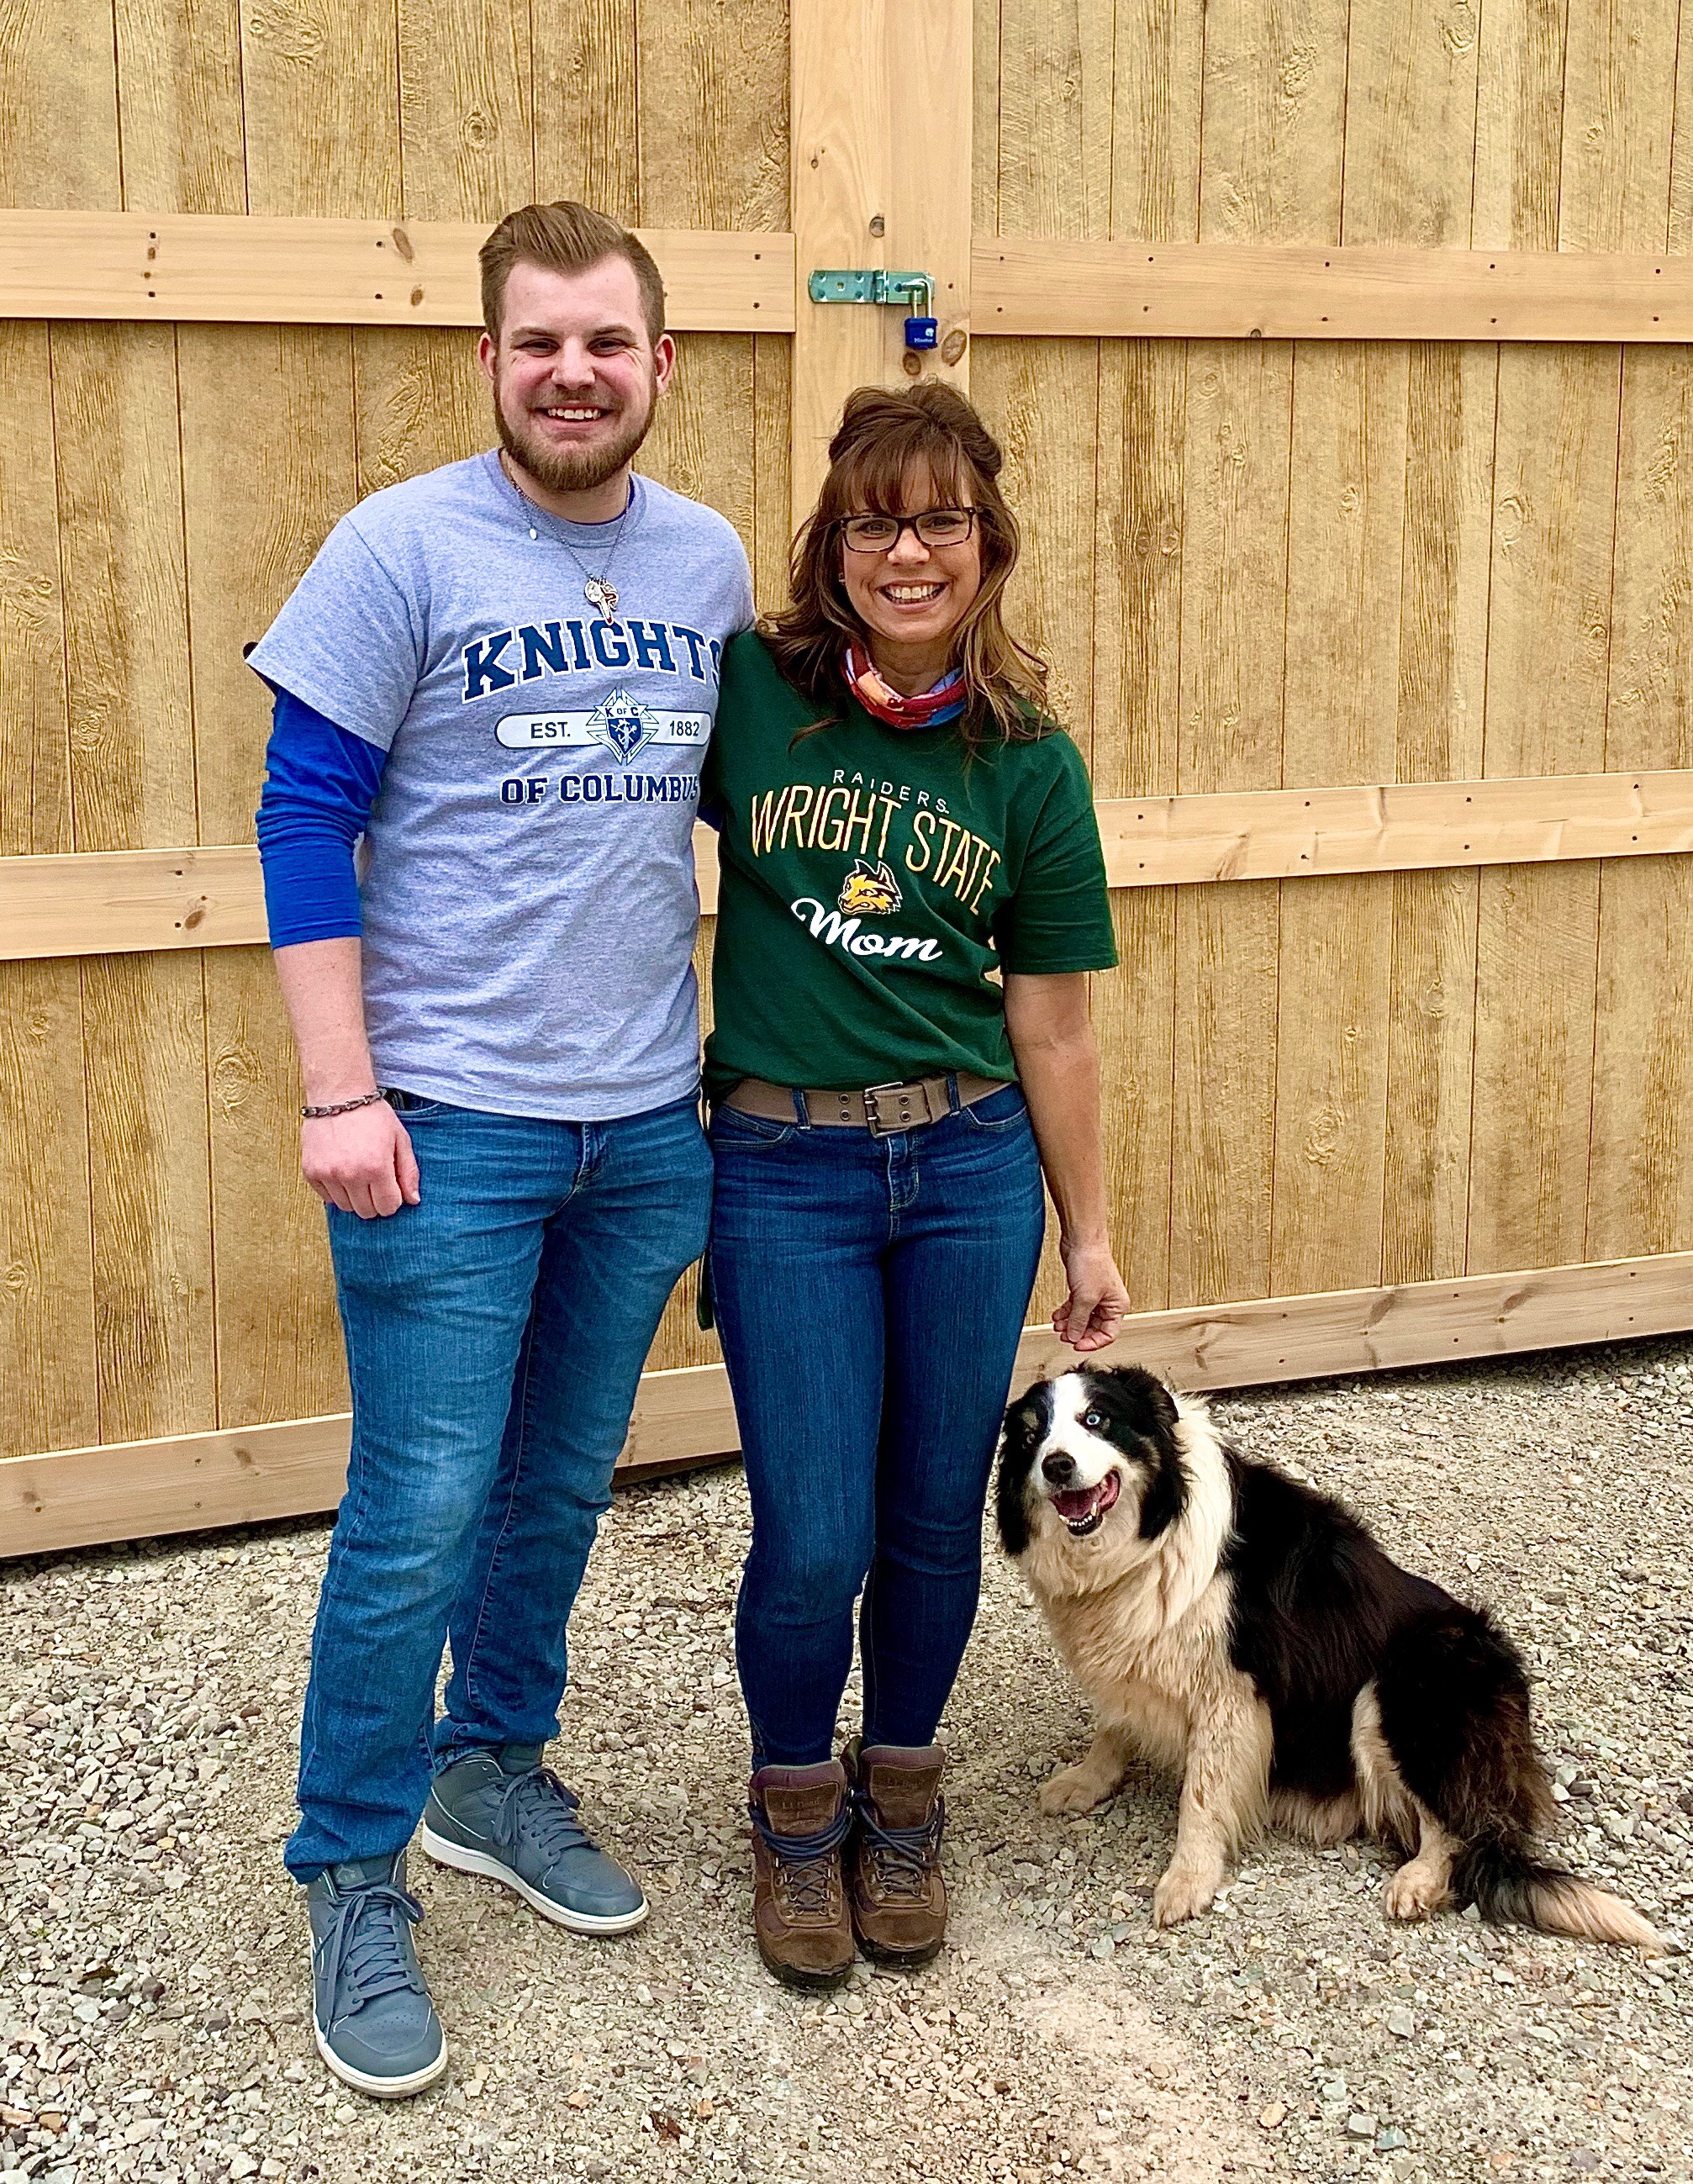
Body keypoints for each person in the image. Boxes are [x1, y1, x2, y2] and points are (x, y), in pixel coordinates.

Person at [248, 201, 753, 2097]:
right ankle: (350, 1866)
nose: (572, 373)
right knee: (418, 1508)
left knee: (555, 1485)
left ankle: (490, 1768)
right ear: (487, 360)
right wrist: (339, 1090)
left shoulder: (707, 562)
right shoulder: (397, 547)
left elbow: (768, 802)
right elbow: (304, 816)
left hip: (643, 1119)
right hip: (445, 1122)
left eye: (606, 342)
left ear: (660, 362)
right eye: (537, 341)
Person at [701, 382, 1130, 1988]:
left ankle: (900, 1795)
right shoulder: (752, 695)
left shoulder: (1026, 762)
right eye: (874, 522)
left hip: (965, 1168)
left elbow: (1053, 1023)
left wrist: (1088, 1233)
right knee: (815, 1533)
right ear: (833, 546)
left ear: (987, 545)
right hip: (783, 1167)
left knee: (935, 1520)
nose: (906, 552)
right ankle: (792, 1806)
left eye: (940, 520)